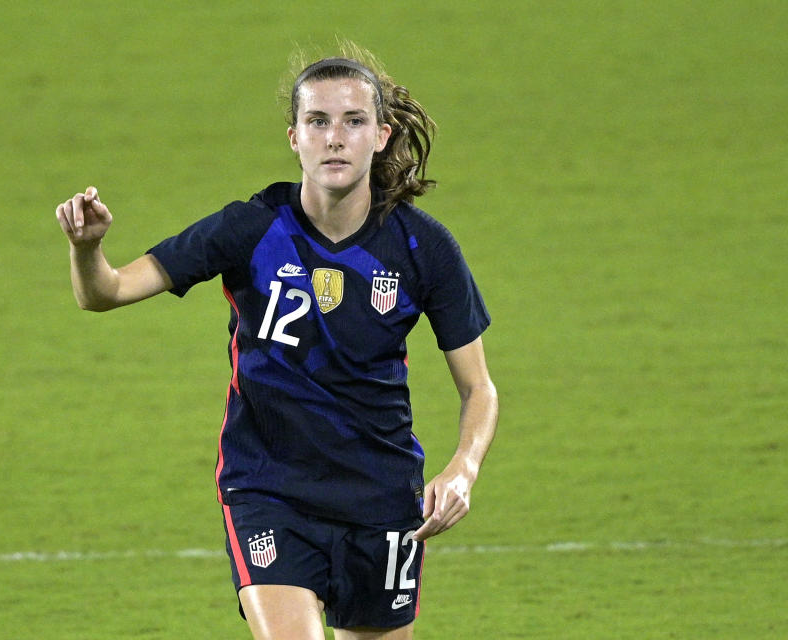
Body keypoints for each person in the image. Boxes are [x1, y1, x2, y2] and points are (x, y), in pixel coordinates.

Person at [55, 44, 498, 640]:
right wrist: (88, 250)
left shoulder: (423, 248)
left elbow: (478, 388)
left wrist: (463, 469)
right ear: (294, 137)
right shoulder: (251, 227)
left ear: (382, 136)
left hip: (381, 495)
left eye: (353, 121)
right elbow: (104, 292)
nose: (334, 138)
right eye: (317, 121)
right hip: (267, 486)